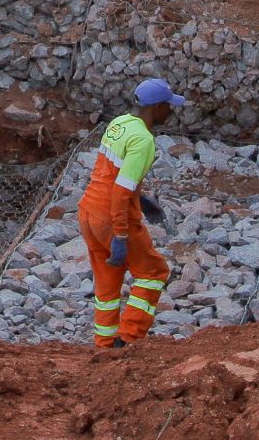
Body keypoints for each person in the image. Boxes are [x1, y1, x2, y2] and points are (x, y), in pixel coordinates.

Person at [76, 78, 184, 349]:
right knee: (153, 273)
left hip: (88, 211)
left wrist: (142, 200)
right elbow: (122, 192)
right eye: (168, 106)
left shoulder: (120, 123)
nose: (171, 111)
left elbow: (111, 174)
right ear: (157, 107)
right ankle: (129, 340)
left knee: (107, 280)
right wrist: (121, 235)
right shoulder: (144, 140)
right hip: (112, 216)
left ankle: (105, 343)